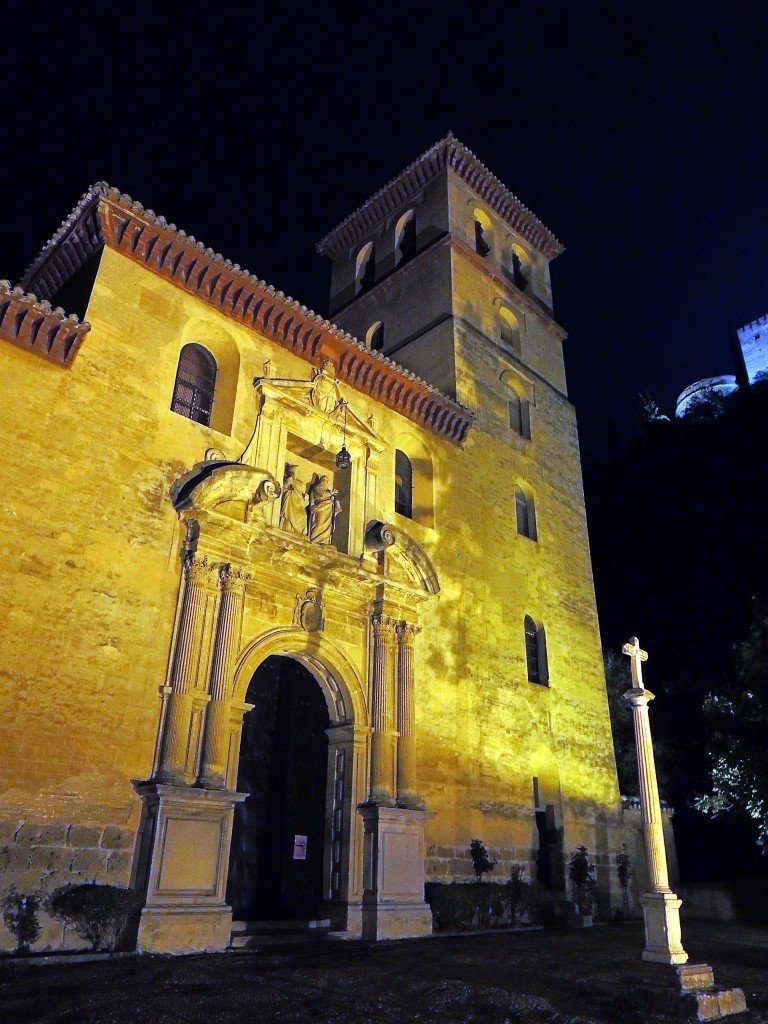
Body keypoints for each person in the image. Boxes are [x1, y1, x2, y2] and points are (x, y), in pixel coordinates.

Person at [308, 475, 340, 544]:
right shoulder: (317, 487)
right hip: (320, 509)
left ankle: (323, 541)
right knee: (319, 524)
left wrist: (336, 505)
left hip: (328, 510)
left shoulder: (328, 491)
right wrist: (331, 493)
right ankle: (314, 540)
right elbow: (321, 495)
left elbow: (331, 499)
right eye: (324, 480)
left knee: (328, 526)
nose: (325, 482)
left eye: (326, 481)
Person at [279, 465, 308, 535]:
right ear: (292, 472)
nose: (298, 473)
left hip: (298, 503)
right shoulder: (288, 480)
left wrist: (305, 499)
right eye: (297, 471)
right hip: (290, 501)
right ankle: (289, 528)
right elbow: (283, 488)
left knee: (303, 516)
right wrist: (288, 483)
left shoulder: (301, 483)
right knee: (289, 516)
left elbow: (303, 493)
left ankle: (298, 532)